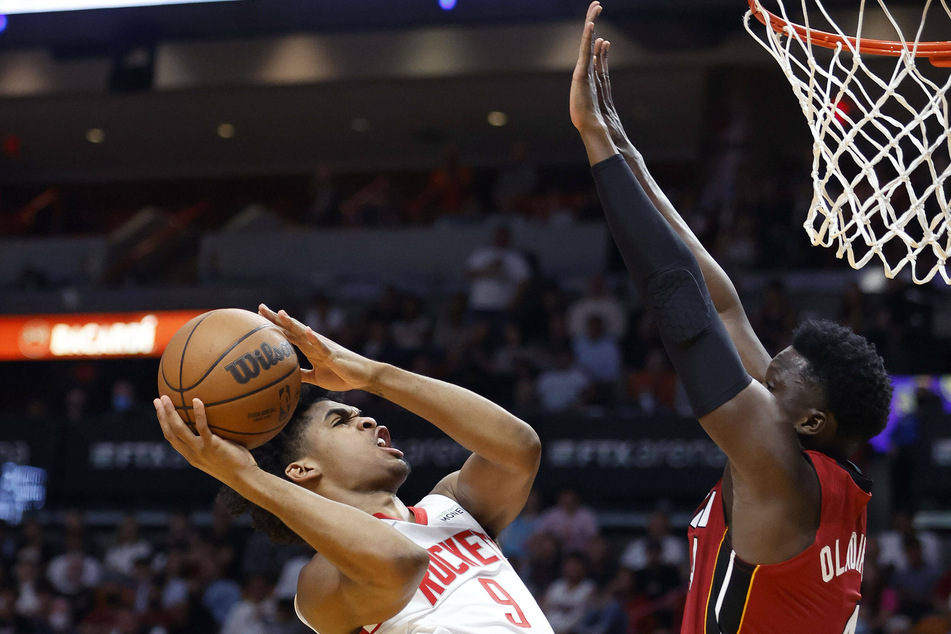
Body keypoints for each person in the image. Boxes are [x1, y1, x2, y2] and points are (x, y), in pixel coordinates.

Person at [570, 3, 894, 632]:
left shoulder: (780, 473)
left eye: (781, 376)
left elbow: (681, 309)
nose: (768, 368)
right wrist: (621, 147)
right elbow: (720, 302)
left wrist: (592, 145)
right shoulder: (825, 466)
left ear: (811, 419)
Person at [154, 304, 554, 634]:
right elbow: (401, 561)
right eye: (341, 421)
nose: (372, 423)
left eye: (361, 413)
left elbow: (520, 449)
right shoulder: (321, 581)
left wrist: (372, 375)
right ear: (301, 469)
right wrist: (247, 477)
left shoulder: (452, 504)